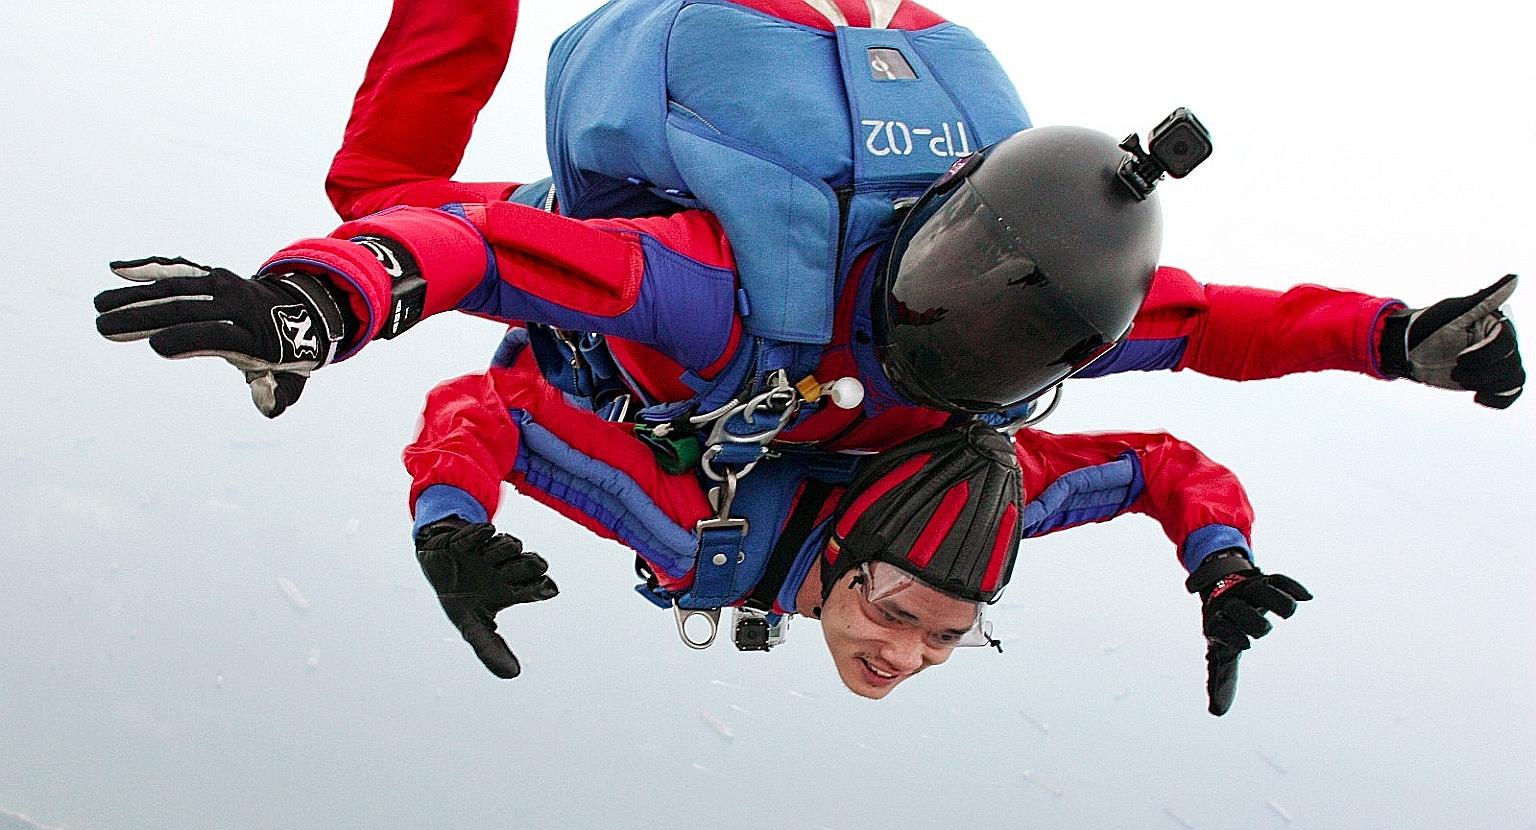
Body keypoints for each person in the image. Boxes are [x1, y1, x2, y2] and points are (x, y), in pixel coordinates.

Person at [94, 0, 1523, 428]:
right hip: (745, 84)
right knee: (381, 201)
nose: (952, 335)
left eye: (990, 342)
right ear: (949, 205)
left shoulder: (1053, 299)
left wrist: (1401, 339)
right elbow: (477, 247)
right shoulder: (720, 281)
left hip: (824, 46)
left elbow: (1224, 325)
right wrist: (322, 303)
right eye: (956, 290)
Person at [404, 344, 1306, 714]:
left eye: (949, 637)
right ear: (843, 555)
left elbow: (1159, 467)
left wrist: (1223, 563)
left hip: (827, 373)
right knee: (377, 191)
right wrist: (448, 523)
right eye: (900, 613)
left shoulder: (982, 505)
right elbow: (496, 404)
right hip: (607, 315)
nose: (905, 654)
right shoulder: (696, 531)